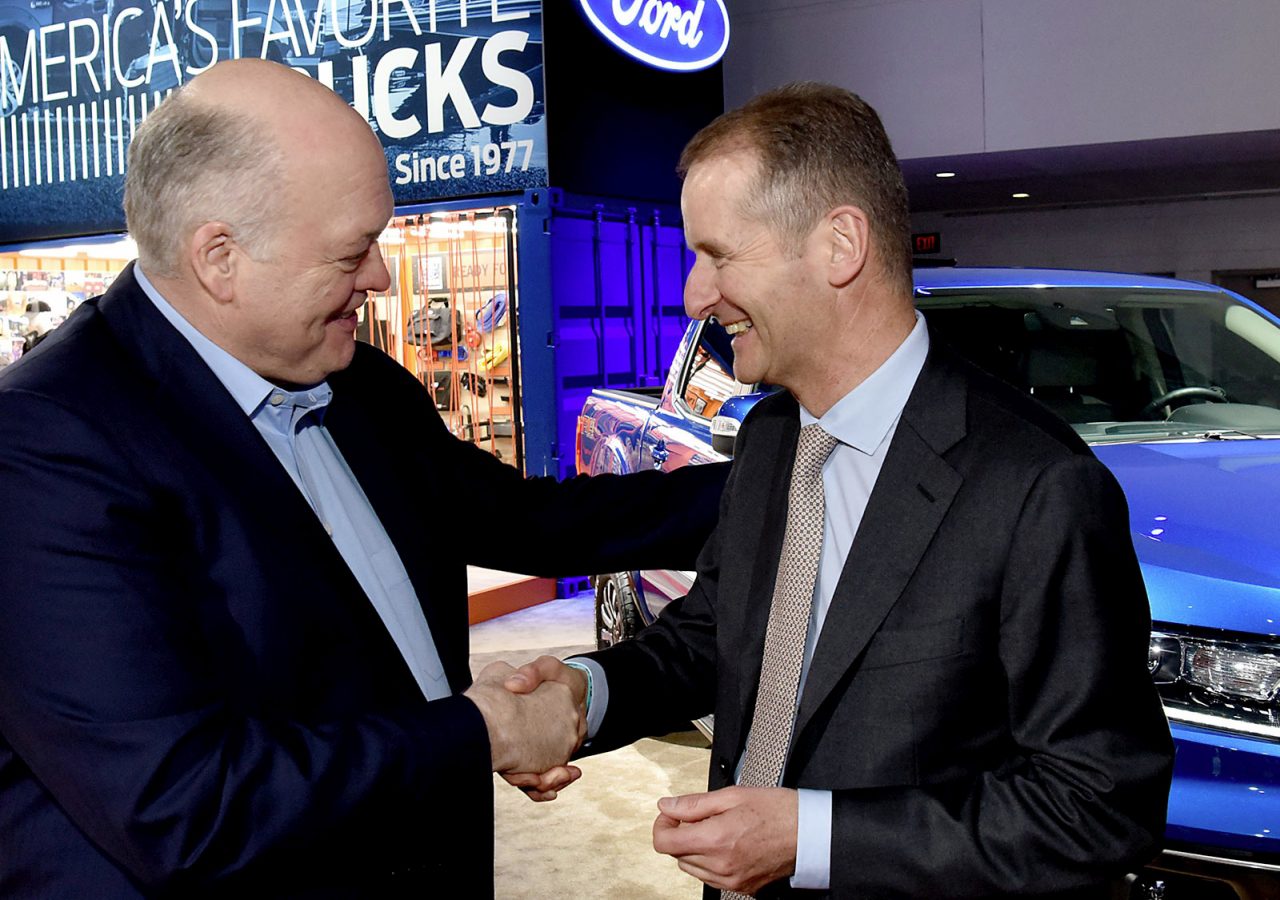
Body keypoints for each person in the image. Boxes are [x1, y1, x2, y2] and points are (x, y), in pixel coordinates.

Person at [0, 59, 727, 897]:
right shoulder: (47, 446)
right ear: (220, 259)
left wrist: (781, 484)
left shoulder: (359, 385)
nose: (381, 277)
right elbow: (182, 804)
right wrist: (480, 732)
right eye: (354, 251)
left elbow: (530, 521)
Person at [506, 83, 1174, 898]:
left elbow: (1097, 806)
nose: (693, 296)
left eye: (718, 255)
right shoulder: (770, 441)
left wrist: (811, 838)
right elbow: (714, 638)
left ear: (839, 245)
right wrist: (587, 692)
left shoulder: (1038, 487)